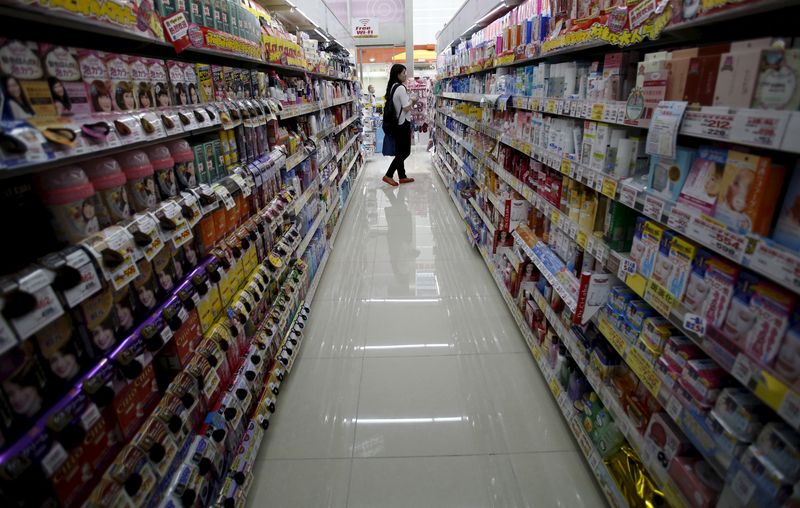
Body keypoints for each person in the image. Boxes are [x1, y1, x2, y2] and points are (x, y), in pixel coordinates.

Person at [382, 64, 416, 187]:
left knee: (400, 151)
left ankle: (402, 176)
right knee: (405, 152)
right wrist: (413, 100)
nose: (405, 75)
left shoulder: (392, 87)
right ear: (398, 74)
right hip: (403, 124)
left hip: (397, 124)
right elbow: (406, 107)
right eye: (404, 73)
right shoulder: (401, 88)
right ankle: (389, 174)